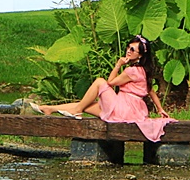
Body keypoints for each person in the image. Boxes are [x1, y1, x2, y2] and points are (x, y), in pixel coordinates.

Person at [36, 34, 174, 142]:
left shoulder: (132, 71)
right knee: (85, 105)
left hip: (124, 108)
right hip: (132, 109)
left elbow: (111, 82)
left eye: (132, 50)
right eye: (128, 47)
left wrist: (118, 65)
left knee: (100, 81)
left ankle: (76, 111)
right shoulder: (143, 70)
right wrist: (160, 109)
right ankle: (50, 109)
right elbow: (151, 91)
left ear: (140, 55)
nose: (128, 51)